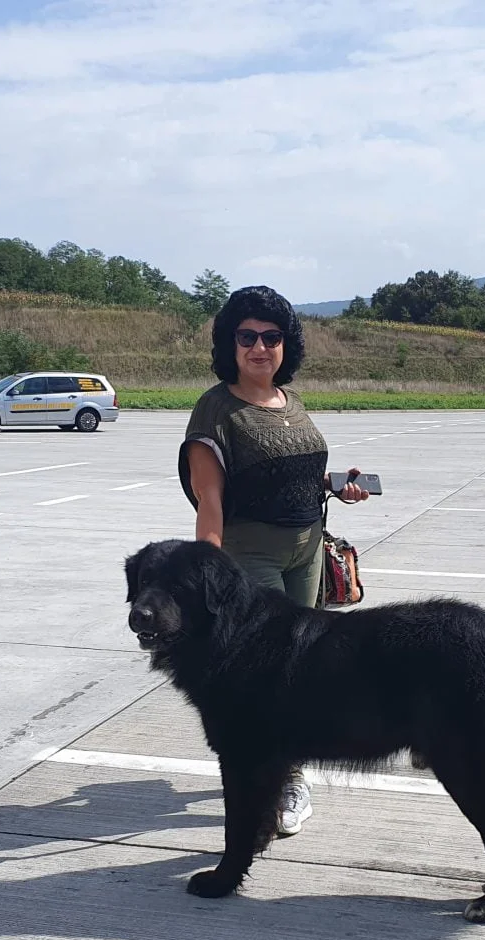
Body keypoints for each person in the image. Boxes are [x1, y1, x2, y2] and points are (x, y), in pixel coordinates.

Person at [178, 284, 369, 837]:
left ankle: (283, 763)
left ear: (287, 344)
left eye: (271, 337)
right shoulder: (216, 410)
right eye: (247, 337)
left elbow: (296, 472)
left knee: (303, 666)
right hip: (249, 557)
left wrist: (338, 486)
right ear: (229, 343)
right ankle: (283, 778)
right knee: (269, 673)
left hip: (307, 550)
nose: (260, 348)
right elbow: (210, 499)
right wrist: (206, 578)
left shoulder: (291, 401)